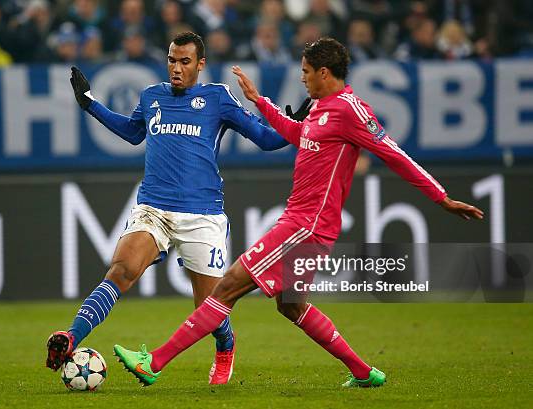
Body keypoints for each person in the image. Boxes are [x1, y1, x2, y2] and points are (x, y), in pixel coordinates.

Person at [114, 37, 484, 388]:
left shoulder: (351, 111)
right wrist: (260, 102)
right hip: (306, 226)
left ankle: (154, 362)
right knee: (292, 307)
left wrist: (441, 197)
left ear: (324, 72)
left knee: (226, 288)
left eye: (306, 71)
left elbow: (393, 153)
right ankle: (364, 372)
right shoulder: (322, 109)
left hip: (305, 227)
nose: (302, 77)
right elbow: (295, 133)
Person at [45, 31, 300, 385]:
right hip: (154, 208)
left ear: (200, 64)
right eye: (171, 60)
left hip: (202, 216)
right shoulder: (152, 96)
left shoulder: (218, 98)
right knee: (121, 270)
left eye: (184, 62)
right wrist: (90, 104)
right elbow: (134, 133)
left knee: (208, 310)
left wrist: (294, 127)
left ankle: (225, 346)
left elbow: (266, 139)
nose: (176, 68)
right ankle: (71, 337)